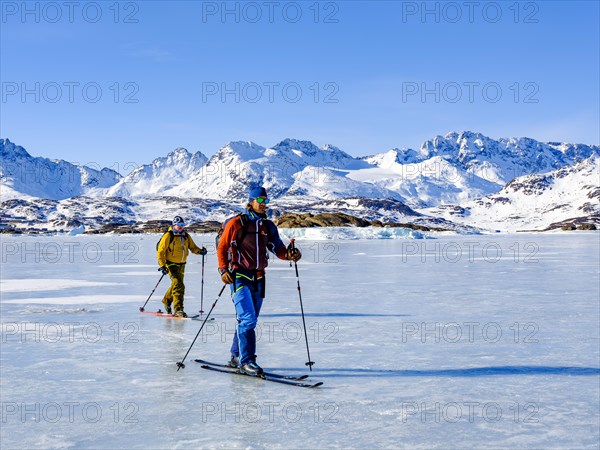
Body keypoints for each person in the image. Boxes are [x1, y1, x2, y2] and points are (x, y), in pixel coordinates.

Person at [217, 186, 302, 375]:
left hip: (259, 278)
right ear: (251, 201)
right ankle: (247, 361)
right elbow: (222, 247)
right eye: (260, 201)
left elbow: (278, 249)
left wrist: (290, 255)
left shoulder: (268, 226)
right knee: (248, 319)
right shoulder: (236, 223)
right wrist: (223, 269)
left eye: (266, 201)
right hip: (239, 277)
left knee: (246, 320)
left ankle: (235, 356)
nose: (264, 204)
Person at [157, 215, 207, 317]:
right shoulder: (168, 236)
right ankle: (178, 309)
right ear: (174, 225)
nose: (180, 226)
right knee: (179, 285)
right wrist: (162, 265)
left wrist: (200, 251)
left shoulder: (186, 236)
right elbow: (161, 252)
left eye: (182, 225)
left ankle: (166, 301)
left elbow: (192, 247)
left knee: (176, 285)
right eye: (178, 225)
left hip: (182, 264)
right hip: (171, 264)